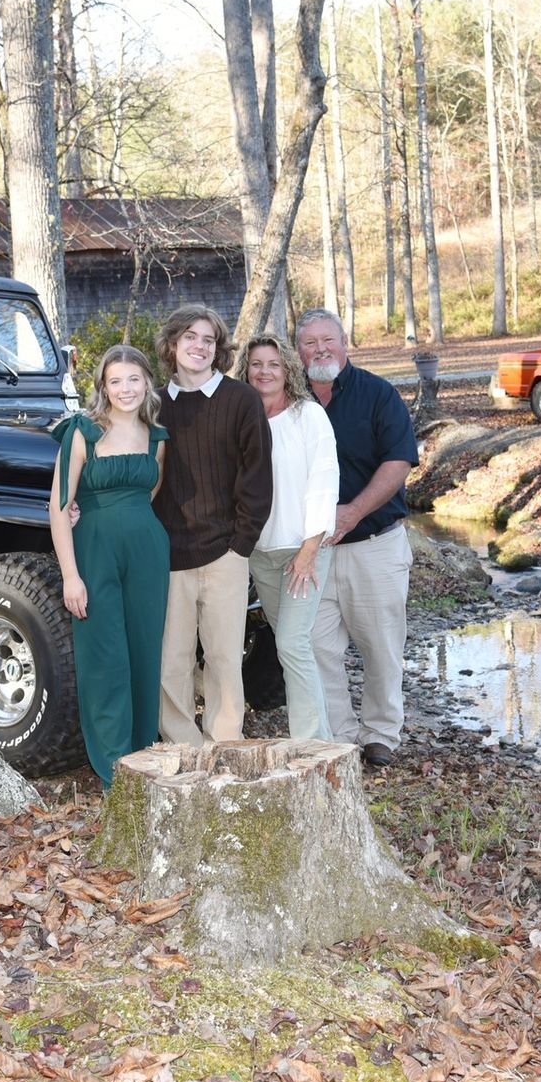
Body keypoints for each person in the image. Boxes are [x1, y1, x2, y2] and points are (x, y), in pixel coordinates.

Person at [294, 308, 418, 767]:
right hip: (313, 552)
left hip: (373, 545)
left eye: (328, 339)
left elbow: (399, 462)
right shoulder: (291, 402)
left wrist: (351, 512)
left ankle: (381, 734)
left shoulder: (378, 395)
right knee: (318, 646)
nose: (320, 349)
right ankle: (341, 738)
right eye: (309, 342)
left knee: (381, 646)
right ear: (298, 351)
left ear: (345, 343)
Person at [49, 345, 169, 785]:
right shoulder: (83, 432)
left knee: (143, 652)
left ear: (146, 383)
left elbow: (150, 494)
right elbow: (59, 507)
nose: (126, 389)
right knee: (104, 658)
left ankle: (141, 757)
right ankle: (113, 767)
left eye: (133, 379)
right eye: (116, 381)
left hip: (148, 554)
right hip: (94, 552)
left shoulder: (156, 436)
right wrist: (70, 576)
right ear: (102, 386)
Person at [153, 305, 273, 746]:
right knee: (173, 658)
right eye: (190, 338)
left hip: (226, 551)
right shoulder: (154, 404)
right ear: (172, 345)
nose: (200, 346)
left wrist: (241, 543)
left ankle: (224, 740)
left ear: (217, 349)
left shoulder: (240, 400)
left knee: (224, 656)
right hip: (169, 553)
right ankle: (182, 743)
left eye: (208, 339)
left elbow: (258, 477)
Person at [236, 333, 339, 740]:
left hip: (303, 552)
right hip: (262, 554)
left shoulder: (308, 416)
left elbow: (324, 481)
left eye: (273, 364)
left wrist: (310, 548)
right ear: (246, 370)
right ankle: (324, 741)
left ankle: (312, 746)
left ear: (288, 370)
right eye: (257, 364)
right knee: (289, 647)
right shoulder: (243, 421)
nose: (265, 372)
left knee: (294, 645)